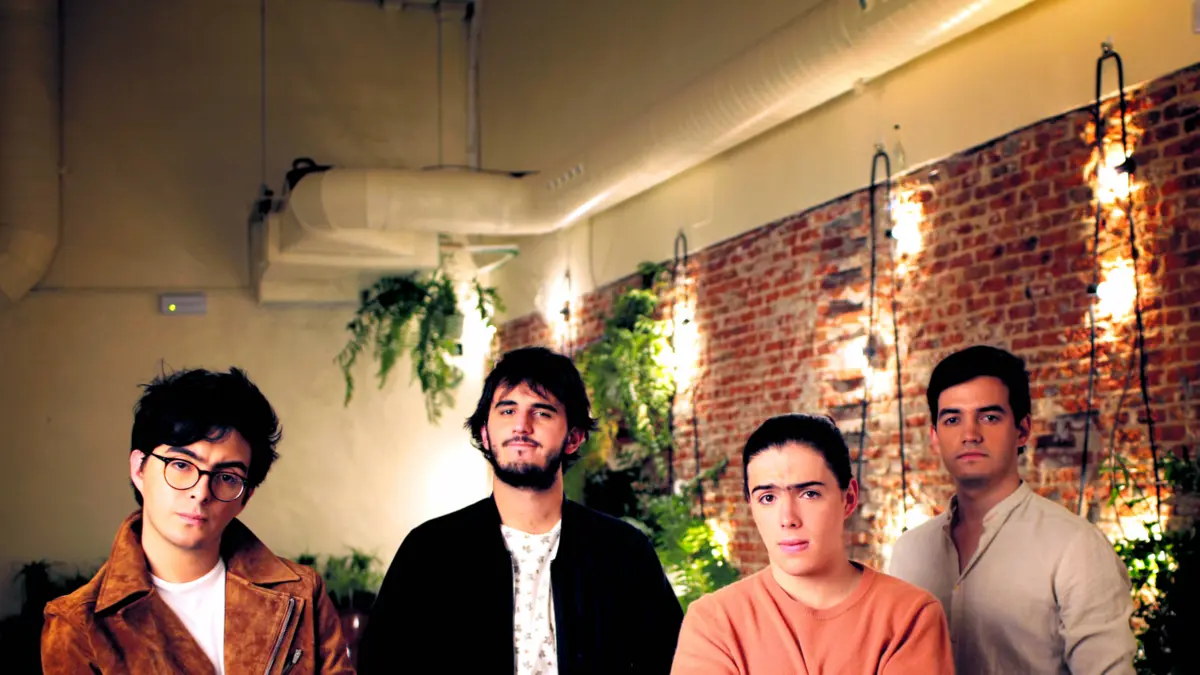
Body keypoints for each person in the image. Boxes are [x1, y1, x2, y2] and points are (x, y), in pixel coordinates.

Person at [357, 346, 683, 674]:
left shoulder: (624, 552)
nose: (521, 427)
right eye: (508, 411)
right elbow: (382, 665)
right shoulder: (430, 550)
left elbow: (670, 663)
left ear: (573, 437)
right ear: (485, 433)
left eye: (542, 413)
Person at [41, 367, 354, 675]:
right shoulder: (79, 626)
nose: (201, 492)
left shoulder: (301, 594)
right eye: (181, 465)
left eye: (227, 477)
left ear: (245, 497)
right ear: (139, 468)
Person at [888, 345, 1137, 674]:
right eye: (952, 419)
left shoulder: (1075, 546)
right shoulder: (909, 551)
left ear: (1022, 430)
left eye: (989, 417)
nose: (970, 435)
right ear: (935, 436)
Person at [671, 413, 954, 675]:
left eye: (809, 494)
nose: (788, 519)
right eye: (768, 498)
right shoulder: (714, 622)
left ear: (848, 498)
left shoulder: (909, 615)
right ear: (751, 506)